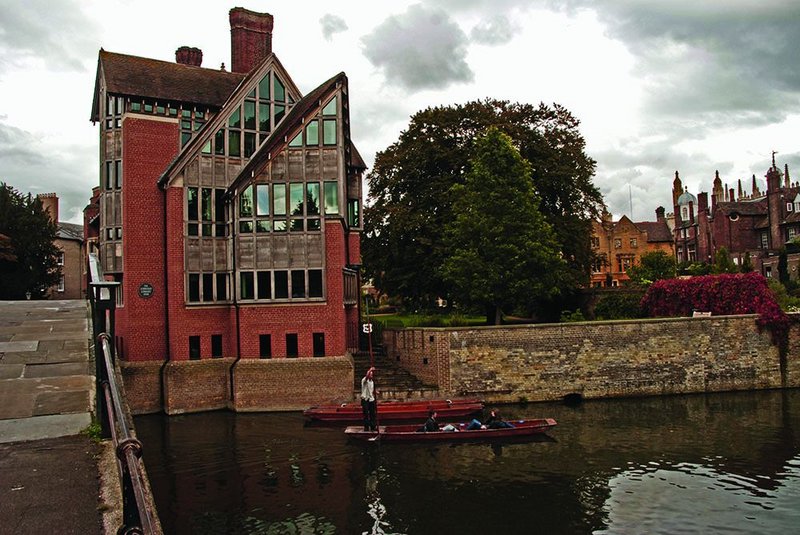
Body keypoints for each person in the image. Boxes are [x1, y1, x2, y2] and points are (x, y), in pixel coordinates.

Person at [360, 367, 377, 431]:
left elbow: (371, 391)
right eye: (371, 374)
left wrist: (375, 392)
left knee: (372, 413)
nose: (372, 376)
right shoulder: (364, 380)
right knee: (366, 414)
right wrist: (370, 370)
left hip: (371, 399)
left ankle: (373, 426)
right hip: (365, 399)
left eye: (372, 375)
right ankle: (366, 427)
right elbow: (367, 376)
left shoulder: (372, 382)